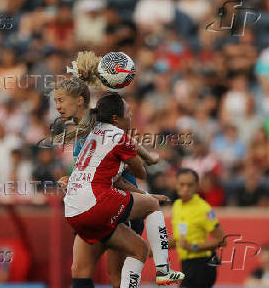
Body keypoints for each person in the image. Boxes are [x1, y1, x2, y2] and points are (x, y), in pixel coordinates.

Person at [53, 52, 158, 287]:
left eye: (61, 100)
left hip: (115, 204)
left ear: (79, 100)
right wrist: (71, 181)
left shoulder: (97, 124)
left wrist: (147, 162)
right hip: (94, 203)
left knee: (115, 274)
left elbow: (123, 149)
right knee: (80, 269)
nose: (58, 107)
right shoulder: (82, 132)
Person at [65, 93, 184, 287]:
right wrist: (136, 161)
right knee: (120, 272)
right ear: (115, 118)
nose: (131, 115)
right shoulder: (120, 137)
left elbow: (112, 178)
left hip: (74, 209)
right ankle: (164, 270)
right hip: (103, 204)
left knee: (81, 270)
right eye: (128, 112)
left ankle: (164, 267)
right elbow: (141, 173)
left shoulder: (89, 136)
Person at [169, 168, 226, 288]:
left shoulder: (204, 209)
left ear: (197, 186)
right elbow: (178, 239)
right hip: (186, 264)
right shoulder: (177, 206)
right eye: (182, 184)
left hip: (203, 264)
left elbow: (222, 240)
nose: (185, 189)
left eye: (190, 185)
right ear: (176, 185)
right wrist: (154, 251)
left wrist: (192, 246)